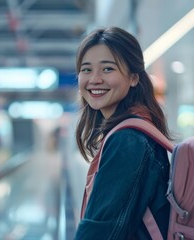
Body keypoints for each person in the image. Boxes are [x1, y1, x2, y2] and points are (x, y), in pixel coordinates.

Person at [74, 26, 172, 239]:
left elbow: (100, 230)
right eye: (86, 69)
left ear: (134, 77)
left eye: (108, 69)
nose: (95, 79)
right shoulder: (136, 128)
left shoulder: (128, 140)